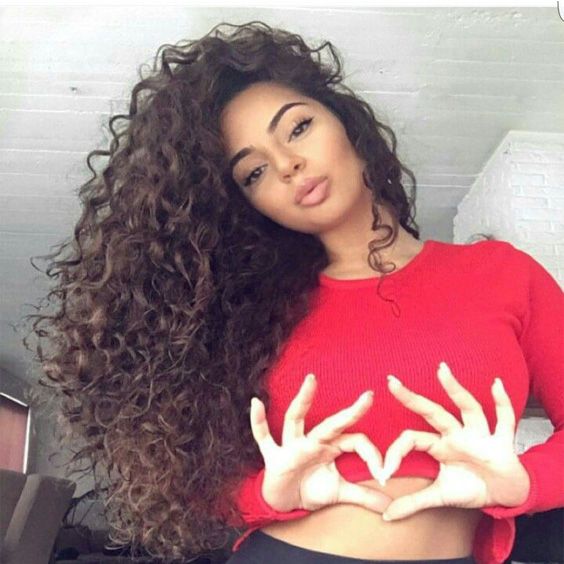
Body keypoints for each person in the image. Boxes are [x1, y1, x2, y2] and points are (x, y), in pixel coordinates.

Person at [21, 20, 563, 564]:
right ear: (248, 205)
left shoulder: (502, 275)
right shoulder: (252, 314)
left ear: (348, 123)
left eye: (298, 128)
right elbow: (187, 477)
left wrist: (526, 483)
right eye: (253, 172)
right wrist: (267, 495)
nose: (286, 165)